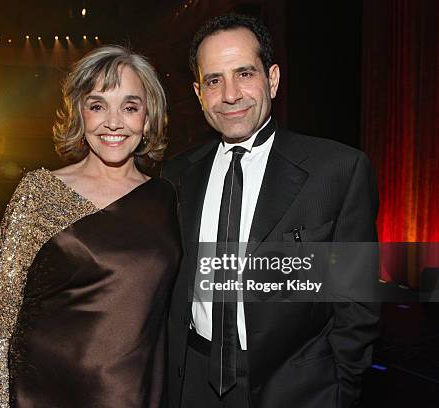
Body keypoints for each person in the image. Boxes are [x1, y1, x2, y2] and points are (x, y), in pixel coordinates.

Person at [162, 13, 379, 408]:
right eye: (214, 80)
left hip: (295, 389)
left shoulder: (337, 170)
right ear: (198, 93)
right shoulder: (175, 176)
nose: (230, 94)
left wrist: (339, 391)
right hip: (190, 383)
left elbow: (357, 305)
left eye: (244, 73)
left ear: (272, 79)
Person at [0, 45, 181, 407]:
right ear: (80, 114)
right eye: (98, 106)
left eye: (130, 107)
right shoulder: (40, 192)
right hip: (47, 392)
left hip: (137, 392)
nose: (113, 122)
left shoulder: (167, 197)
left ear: (148, 118)